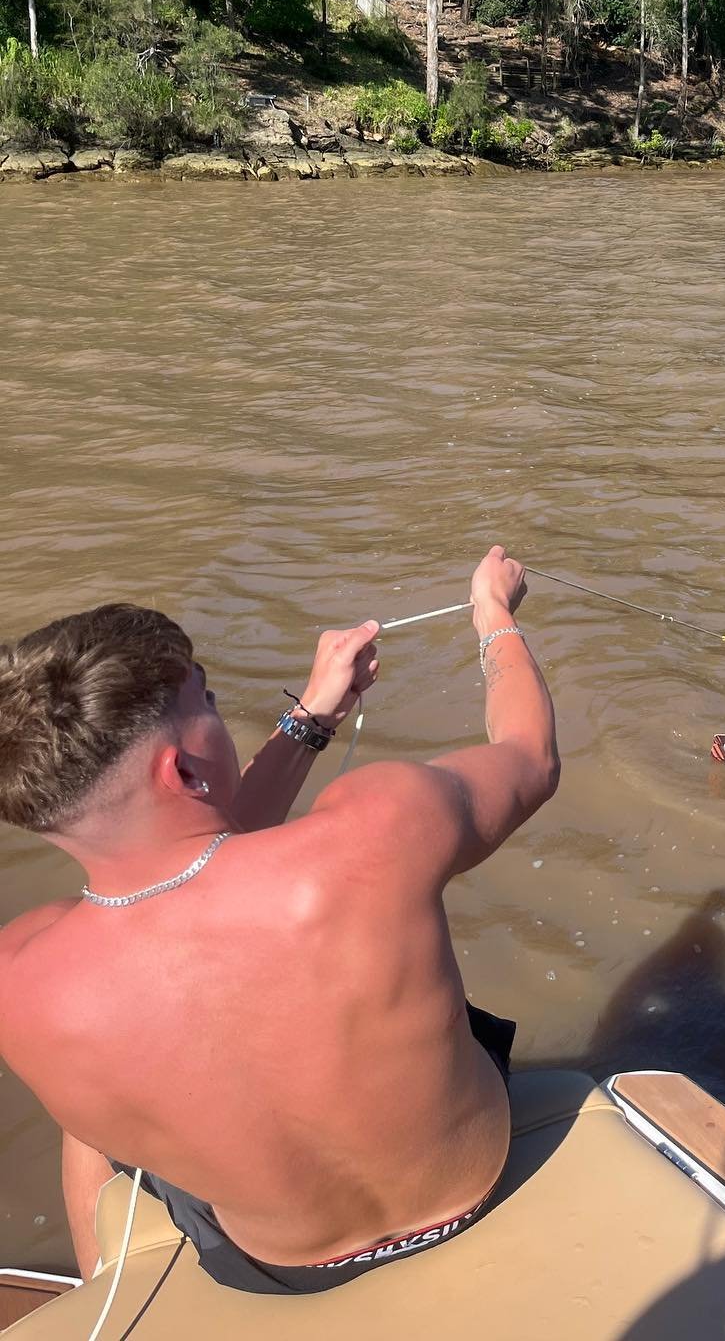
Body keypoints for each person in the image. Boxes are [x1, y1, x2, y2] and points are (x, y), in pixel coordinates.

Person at [0, 545, 556, 1295]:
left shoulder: (21, 979)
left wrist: (313, 715)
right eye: (209, 703)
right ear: (187, 771)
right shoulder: (376, 830)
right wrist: (491, 611)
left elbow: (194, 851)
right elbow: (529, 754)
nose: (217, 715)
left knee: (83, 1086)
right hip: (470, 1191)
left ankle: (109, 1293)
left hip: (271, 1266)